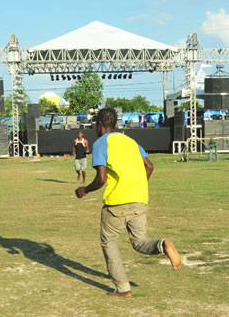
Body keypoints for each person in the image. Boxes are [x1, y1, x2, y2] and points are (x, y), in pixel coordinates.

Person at [75, 107, 181, 298]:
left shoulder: (101, 143)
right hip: (140, 198)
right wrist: (138, 186)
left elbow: (101, 178)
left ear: (99, 124)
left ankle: (123, 288)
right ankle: (163, 244)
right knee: (139, 243)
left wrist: (85, 190)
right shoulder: (131, 141)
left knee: (109, 242)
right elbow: (149, 165)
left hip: (117, 202)